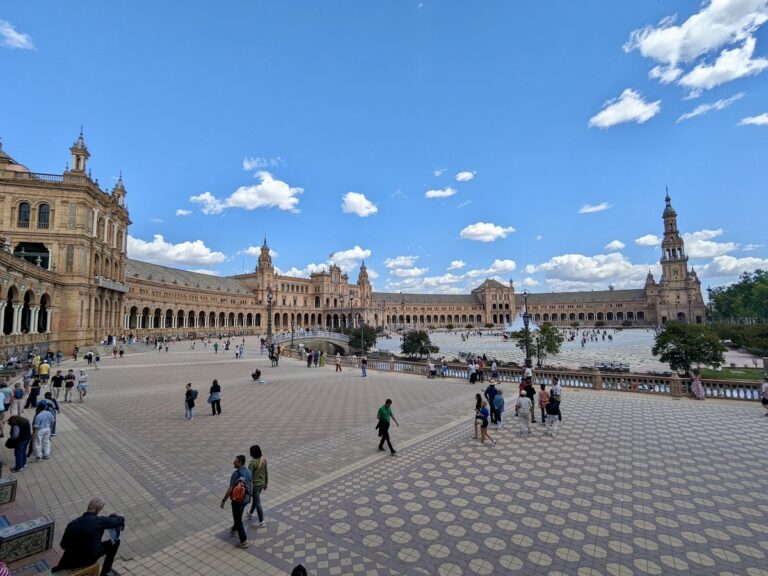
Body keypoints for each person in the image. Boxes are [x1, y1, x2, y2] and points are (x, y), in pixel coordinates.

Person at [52, 497, 125, 576]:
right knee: (116, 543)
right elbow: (119, 520)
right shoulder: (99, 521)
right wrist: (118, 516)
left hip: (68, 560)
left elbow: (63, 545)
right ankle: (105, 572)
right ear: (98, 510)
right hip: (87, 560)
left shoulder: (72, 523)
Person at [220, 454, 252, 549]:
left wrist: (223, 500)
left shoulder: (236, 474)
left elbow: (230, 489)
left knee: (238, 520)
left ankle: (243, 541)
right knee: (238, 515)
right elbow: (250, 485)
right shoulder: (248, 472)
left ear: (240, 463)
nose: (234, 462)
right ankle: (234, 529)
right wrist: (249, 496)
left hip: (237, 500)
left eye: (236, 461)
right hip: (245, 499)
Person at [247, 445, 268, 528]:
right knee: (256, 499)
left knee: (258, 503)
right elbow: (266, 472)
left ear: (252, 453)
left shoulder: (252, 463)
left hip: (255, 486)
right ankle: (250, 513)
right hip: (262, 484)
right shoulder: (263, 460)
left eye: (250, 451)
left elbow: (250, 478)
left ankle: (261, 521)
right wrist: (266, 483)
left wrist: (249, 489)